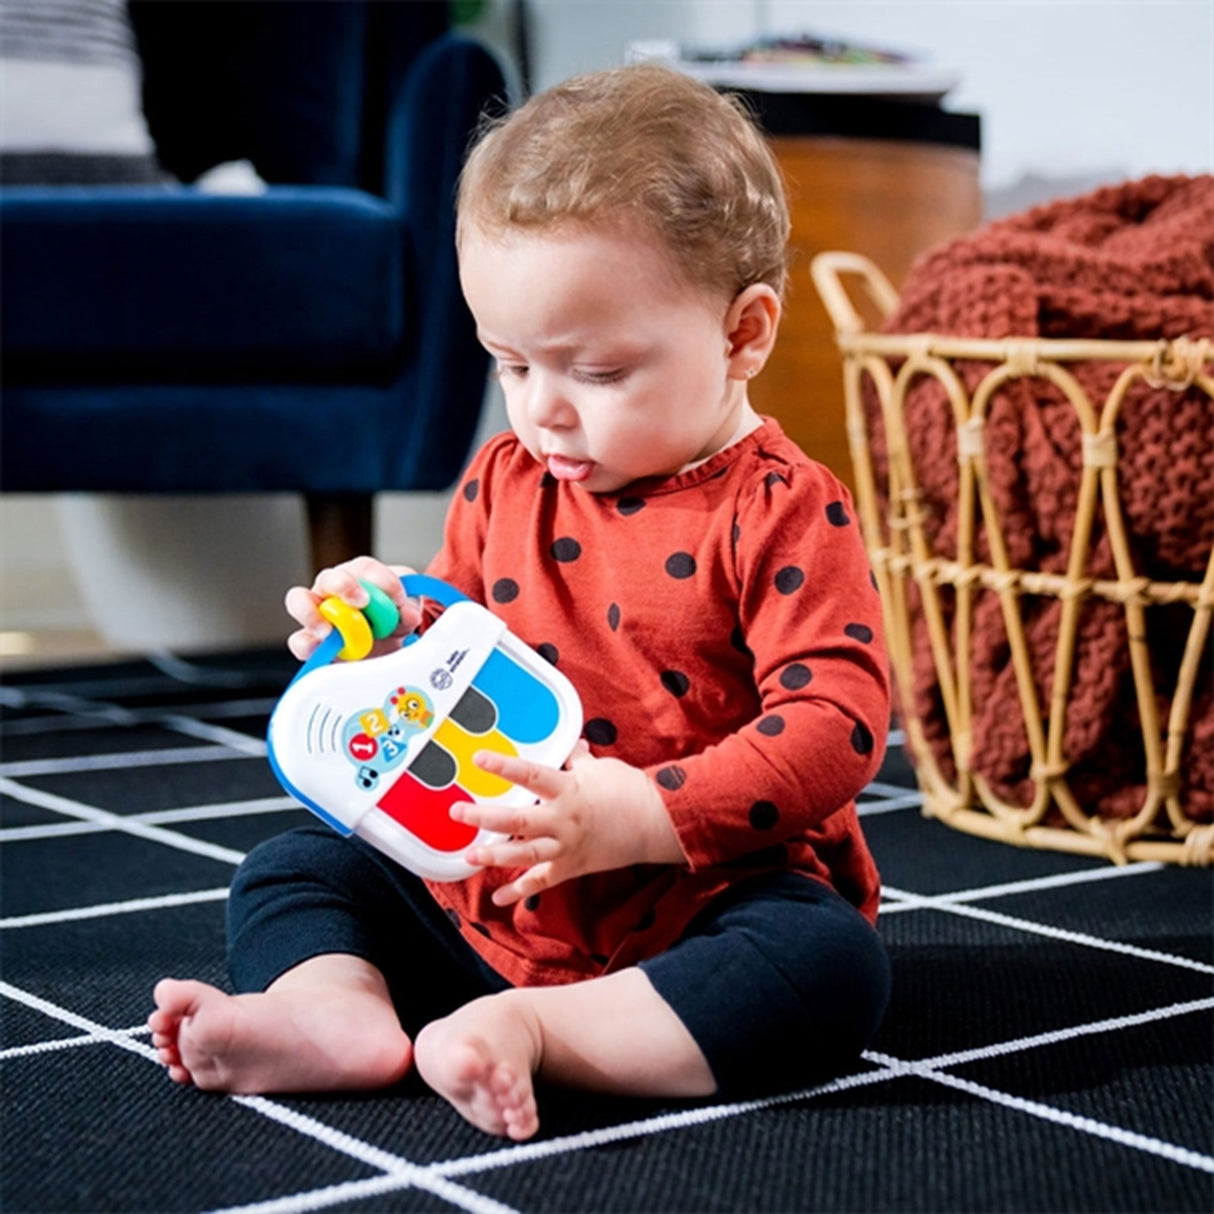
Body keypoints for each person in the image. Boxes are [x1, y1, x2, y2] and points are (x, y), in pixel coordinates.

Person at [149, 63, 892, 1142]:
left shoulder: (780, 510)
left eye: (593, 371)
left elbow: (839, 720)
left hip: (697, 904)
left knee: (829, 968)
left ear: (742, 336)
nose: (543, 410)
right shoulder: (507, 475)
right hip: (488, 884)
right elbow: (457, 624)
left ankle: (542, 1029)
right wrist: (390, 613)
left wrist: (638, 815)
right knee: (292, 864)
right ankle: (334, 1011)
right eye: (509, 362)